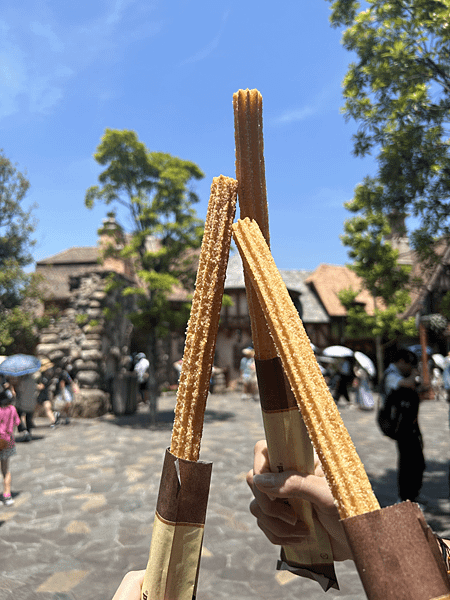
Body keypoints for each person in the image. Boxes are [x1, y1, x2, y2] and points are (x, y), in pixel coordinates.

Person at [382, 348, 425, 503]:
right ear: (401, 361)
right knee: (408, 463)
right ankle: (406, 497)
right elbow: (407, 385)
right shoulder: (391, 375)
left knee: (417, 461)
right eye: (409, 364)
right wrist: (414, 375)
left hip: (409, 424)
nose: (410, 368)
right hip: (401, 427)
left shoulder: (398, 374)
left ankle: (413, 494)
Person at [0, 382, 21, 506]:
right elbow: (18, 422)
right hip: (8, 441)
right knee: (5, 469)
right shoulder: (12, 409)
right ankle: (7, 495)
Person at [34, 359, 59, 428]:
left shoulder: (46, 377)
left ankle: (53, 421)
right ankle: (29, 421)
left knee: (47, 409)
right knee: (36, 409)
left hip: (44, 395)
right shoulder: (43, 376)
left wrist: (36, 386)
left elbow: (41, 386)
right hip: (42, 395)